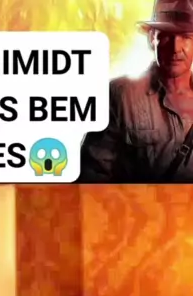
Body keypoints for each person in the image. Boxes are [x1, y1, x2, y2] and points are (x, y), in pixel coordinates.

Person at [80, 0, 193, 182]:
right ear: (152, 38)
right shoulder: (120, 96)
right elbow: (92, 176)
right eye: (166, 36)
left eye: (186, 37)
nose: (175, 47)